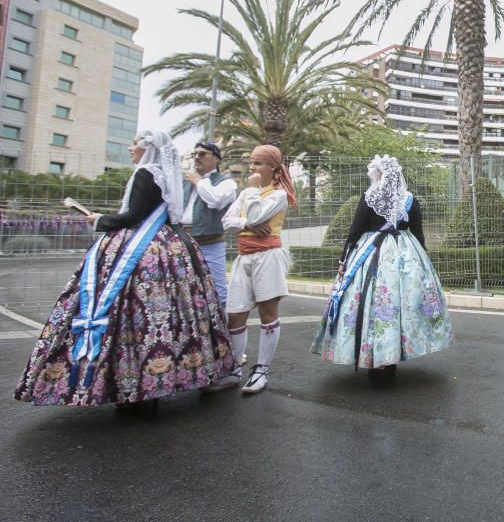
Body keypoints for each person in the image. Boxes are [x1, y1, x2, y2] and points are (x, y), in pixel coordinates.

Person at [14, 130, 234, 406]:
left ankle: (126, 381)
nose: (130, 148)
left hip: (141, 247)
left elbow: (133, 216)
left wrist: (101, 219)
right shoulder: (164, 174)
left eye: (134, 144)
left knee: (129, 310)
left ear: (148, 148)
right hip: (169, 244)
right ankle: (167, 375)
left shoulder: (145, 173)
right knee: (172, 312)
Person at [312, 155, 452, 374]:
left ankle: (372, 352)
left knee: (371, 303)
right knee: (401, 304)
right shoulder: (410, 200)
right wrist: (424, 263)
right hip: (407, 253)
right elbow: (418, 234)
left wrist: (344, 261)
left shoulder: (369, 197)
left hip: (371, 253)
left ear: (381, 174)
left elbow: (355, 232)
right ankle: (393, 353)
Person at [213, 144, 296, 395]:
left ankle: (261, 370)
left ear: (273, 167)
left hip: (268, 257)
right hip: (244, 257)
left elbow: (259, 215)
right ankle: (234, 370)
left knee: (267, 312)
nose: (252, 168)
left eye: (258, 163)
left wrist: (250, 196)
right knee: (235, 314)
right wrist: (246, 222)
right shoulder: (247, 194)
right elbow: (227, 221)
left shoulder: (278, 194)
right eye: (251, 162)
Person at [181, 141, 237, 310]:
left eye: (203, 154)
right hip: (182, 243)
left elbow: (216, 200)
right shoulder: (184, 182)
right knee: (185, 290)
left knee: (218, 292)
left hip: (210, 244)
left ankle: (221, 333)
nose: (197, 157)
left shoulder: (226, 183)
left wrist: (199, 182)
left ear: (216, 159)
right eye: (195, 154)